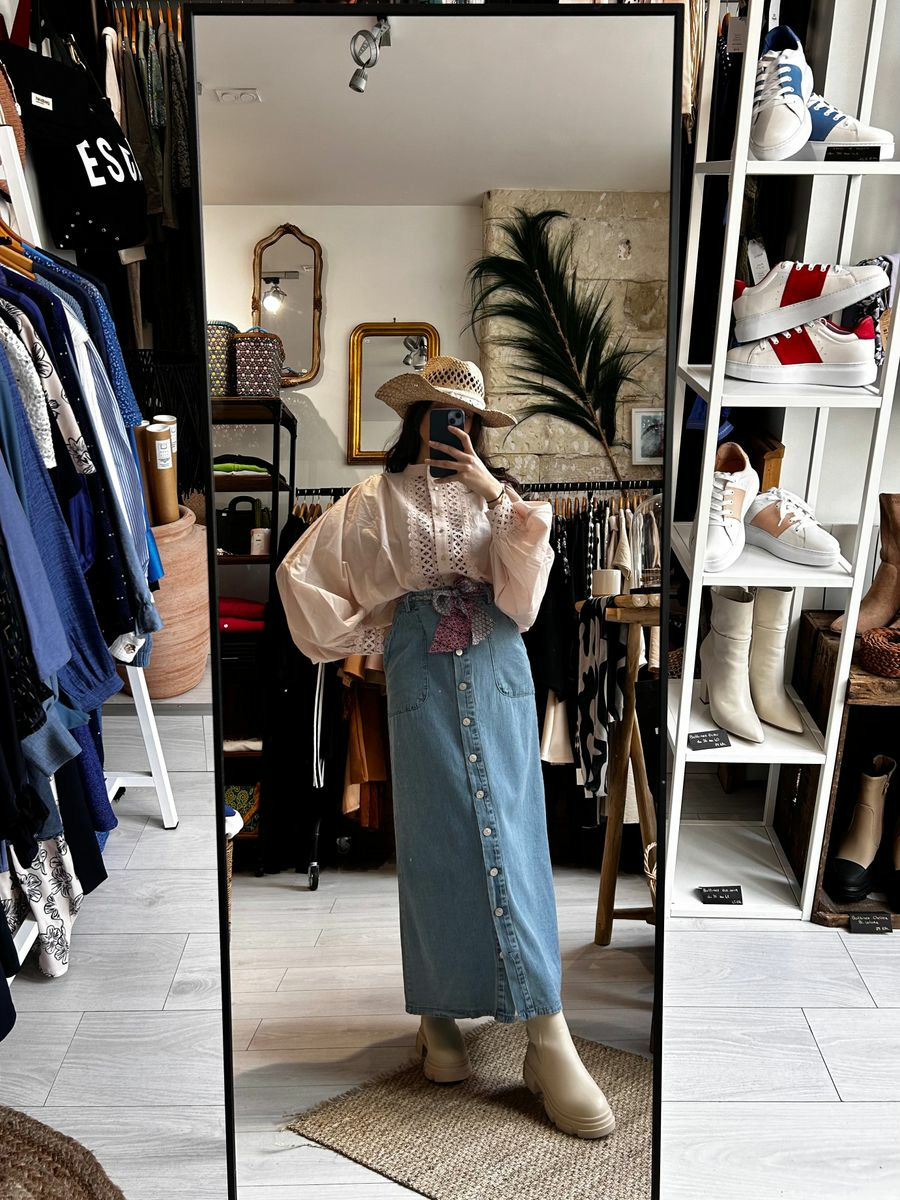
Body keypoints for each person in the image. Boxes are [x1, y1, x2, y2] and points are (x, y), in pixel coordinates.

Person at [276, 355, 614, 1138]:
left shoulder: (503, 502)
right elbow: (302, 576)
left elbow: (526, 602)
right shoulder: (372, 501)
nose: (450, 428)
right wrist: (380, 628)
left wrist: (494, 492)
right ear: (415, 418)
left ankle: (545, 1030)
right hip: (420, 667)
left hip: (497, 661)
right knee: (435, 841)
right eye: (437, 413)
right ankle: (437, 1018)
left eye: (464, 418)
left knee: (514, 838)